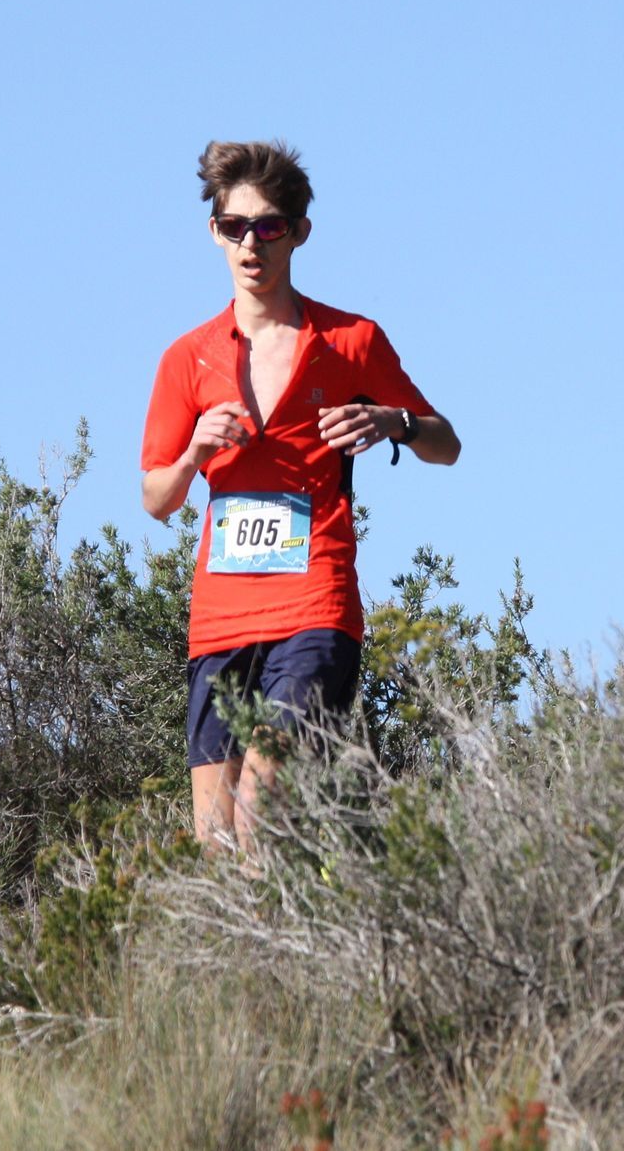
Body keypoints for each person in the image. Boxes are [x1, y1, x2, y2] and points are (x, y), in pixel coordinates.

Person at [141, 140, 460, 858]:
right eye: (235, 227)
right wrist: (193, 454)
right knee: (215, 842)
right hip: (220, 619)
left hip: (315, 606)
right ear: (215, 232)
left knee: (261, 807)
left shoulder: (351, 340)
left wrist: (394, 422)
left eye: (269, 227)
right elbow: (156, 497)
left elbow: (447, 443)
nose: (251, 244)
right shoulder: (187, 358)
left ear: (299, 232)